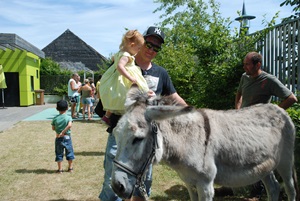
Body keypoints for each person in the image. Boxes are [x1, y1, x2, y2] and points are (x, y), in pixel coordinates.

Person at [99, 26, 187, 201]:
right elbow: (106, 87)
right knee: (113, 183)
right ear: (140, 42)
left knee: (142, 184)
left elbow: (175, 97)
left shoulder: (160, 73)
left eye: (156, 48)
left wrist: (197, 114)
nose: (151, 50)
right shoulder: (124, 64)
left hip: (146, 142)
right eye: (148, 44)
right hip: (120, 136)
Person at [235, 51, 297, 198]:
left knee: (259, 158)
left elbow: (291, 98)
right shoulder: (245, 77)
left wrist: (271, 113)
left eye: (247, 65)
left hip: (259, 130)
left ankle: (262, 190)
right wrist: (237, 110)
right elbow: (239, 94)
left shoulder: (269, 80)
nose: (245, 67)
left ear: (258, 64)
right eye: (244, 64)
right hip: (242, 125)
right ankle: (259, 189)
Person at [99, 29, 150, 117]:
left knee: (116, 98)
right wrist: (130, 77)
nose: (138, 51)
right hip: (124, 77)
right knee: (130, 93)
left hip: (115, 78)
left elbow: (114, 60)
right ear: (132, 45)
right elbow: (120, 66)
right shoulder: (126, 56)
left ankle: (107, 116)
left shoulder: (119, 53)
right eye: (138, 48)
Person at [51, 100, 75, 174]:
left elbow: (53, 128)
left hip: (58, 138)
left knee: (59, 153)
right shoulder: (68, 117)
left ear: (57, 108)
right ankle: (70, 168)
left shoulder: (55, 118)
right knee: (69, 152)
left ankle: (60, 169)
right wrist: (64, 132)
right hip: (67, 138)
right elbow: (70, 125)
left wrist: (60, 132)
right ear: (67, 108)